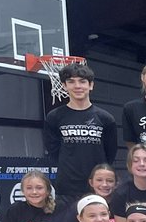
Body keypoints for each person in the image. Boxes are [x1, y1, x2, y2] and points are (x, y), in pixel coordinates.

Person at [43, 60, 118, 202]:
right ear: (64, 86)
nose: (77, 86)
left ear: (91, 85)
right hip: (66, 188)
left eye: (82, 81)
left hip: (97, 188)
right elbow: (53, 153)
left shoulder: (106, 118)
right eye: (71, 81)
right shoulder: (54, 117)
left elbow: (110, 155)